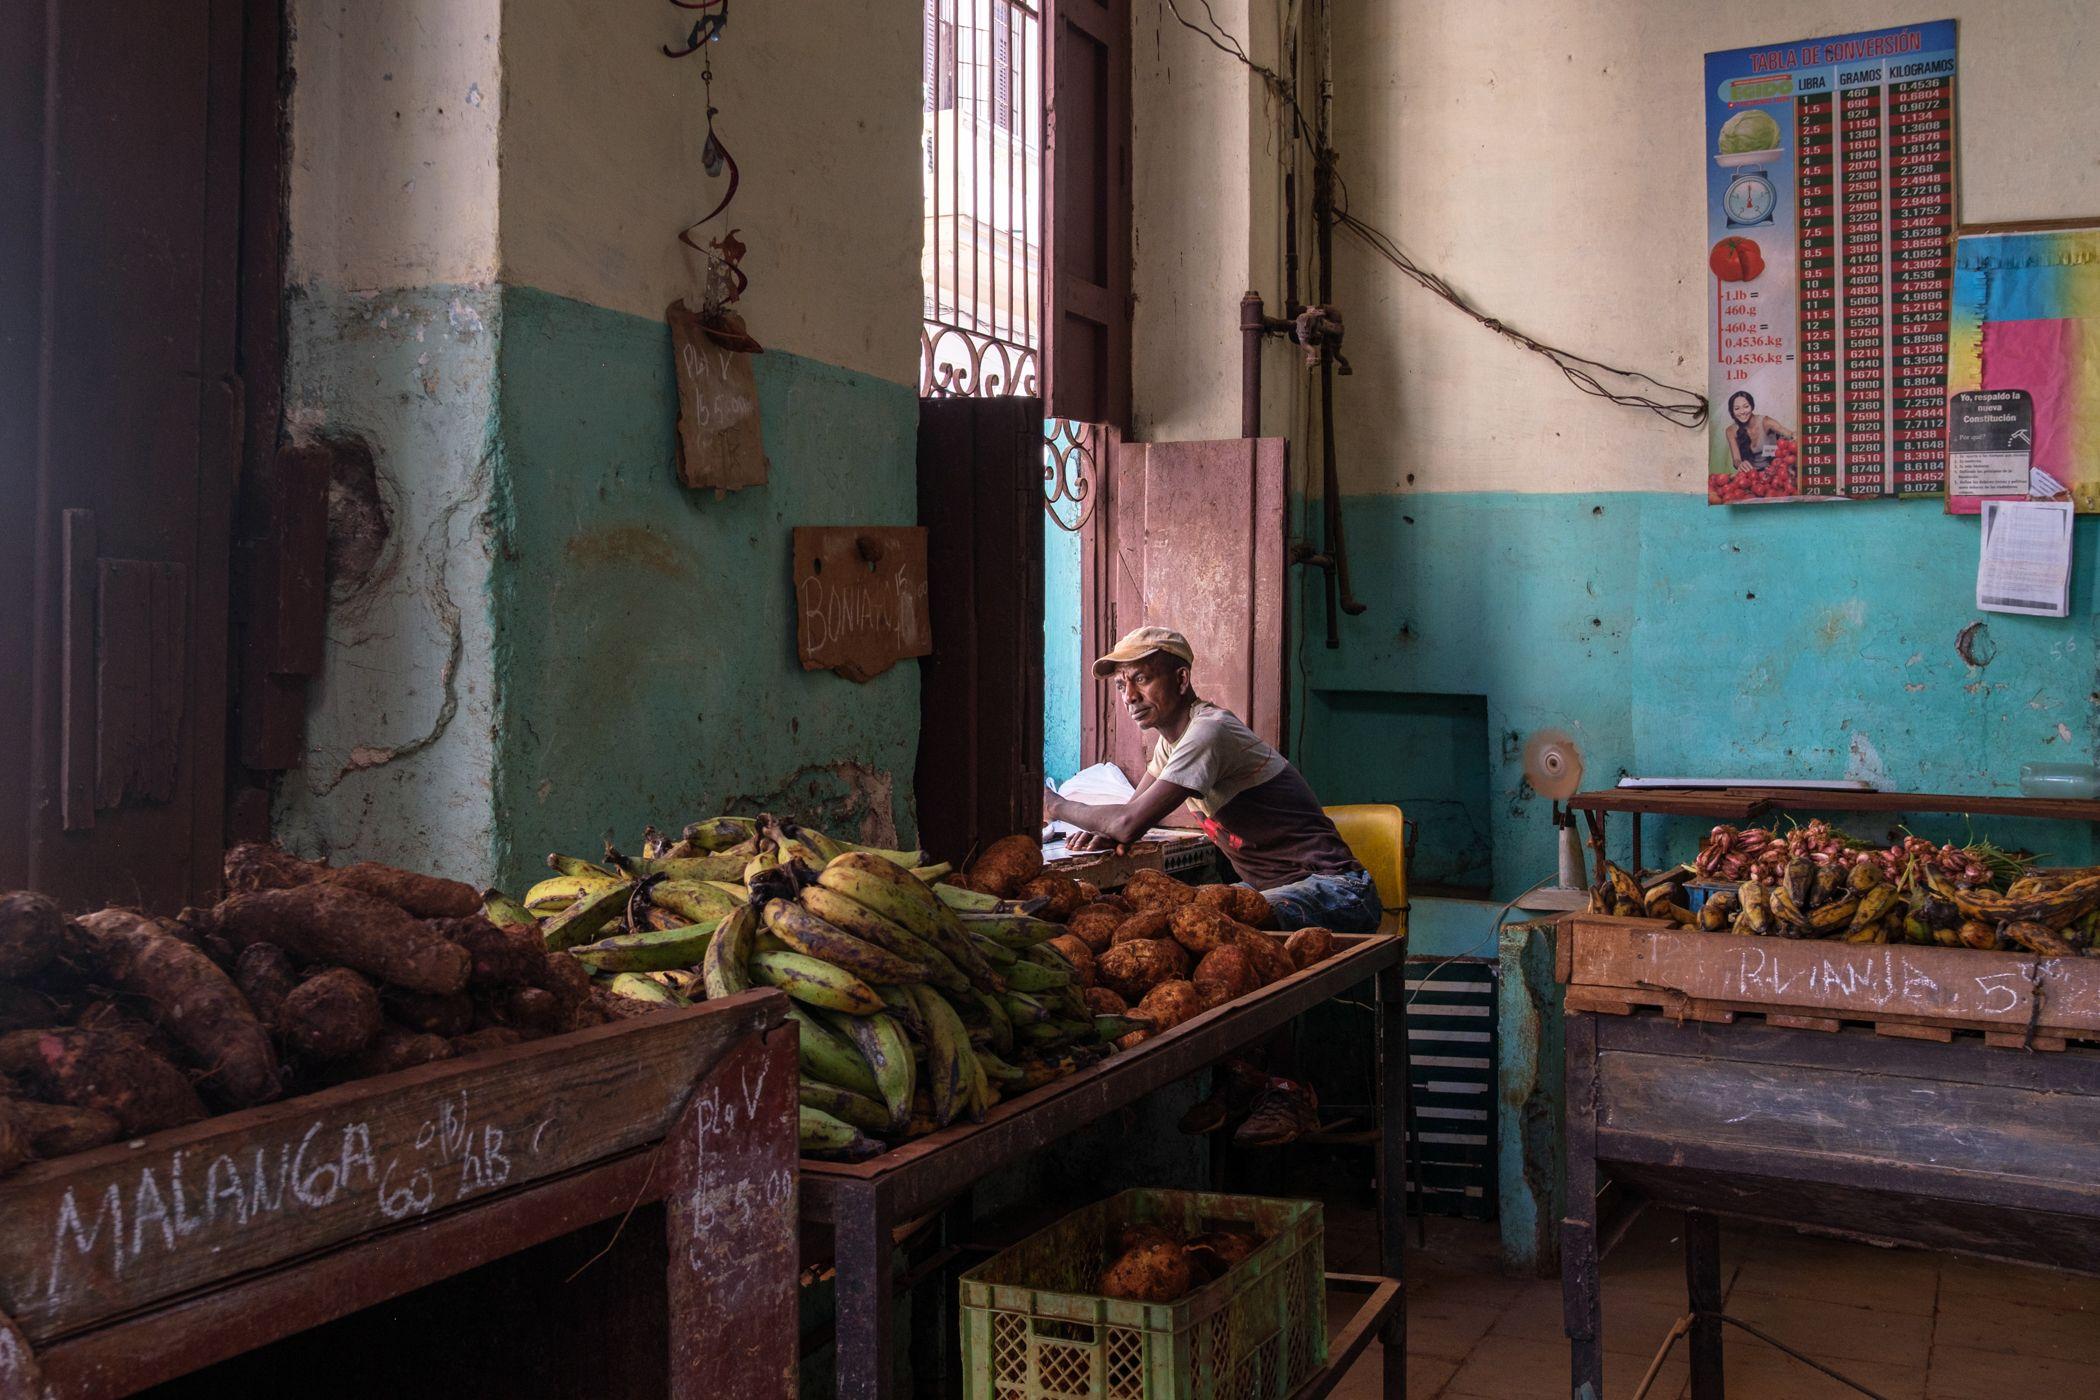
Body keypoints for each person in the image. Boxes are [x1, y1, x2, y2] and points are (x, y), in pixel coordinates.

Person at [1042, 626, 1382, 934]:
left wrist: (1053, 804)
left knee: (1198, 929)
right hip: (1274, 890)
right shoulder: (1171, 742)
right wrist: (1105, 832)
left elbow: (1127, 824)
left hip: (1337, 890)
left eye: (1142, 679)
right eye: (1121, 685)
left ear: (1181, 679)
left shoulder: (1209, 730)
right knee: (1172, 918)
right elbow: (1131, 817)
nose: (1129, 696)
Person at [1723, 389, 1795, 470]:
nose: (1742, 412)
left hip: (1774, 470)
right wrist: (1740, 464)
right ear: (1732, 411)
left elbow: (1790, 434)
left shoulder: (1766, 422)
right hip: (1751, 475)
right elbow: (1736, 460)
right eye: (1737, 408)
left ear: (1752, 406)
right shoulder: (1730, 431)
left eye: (1746, 406)